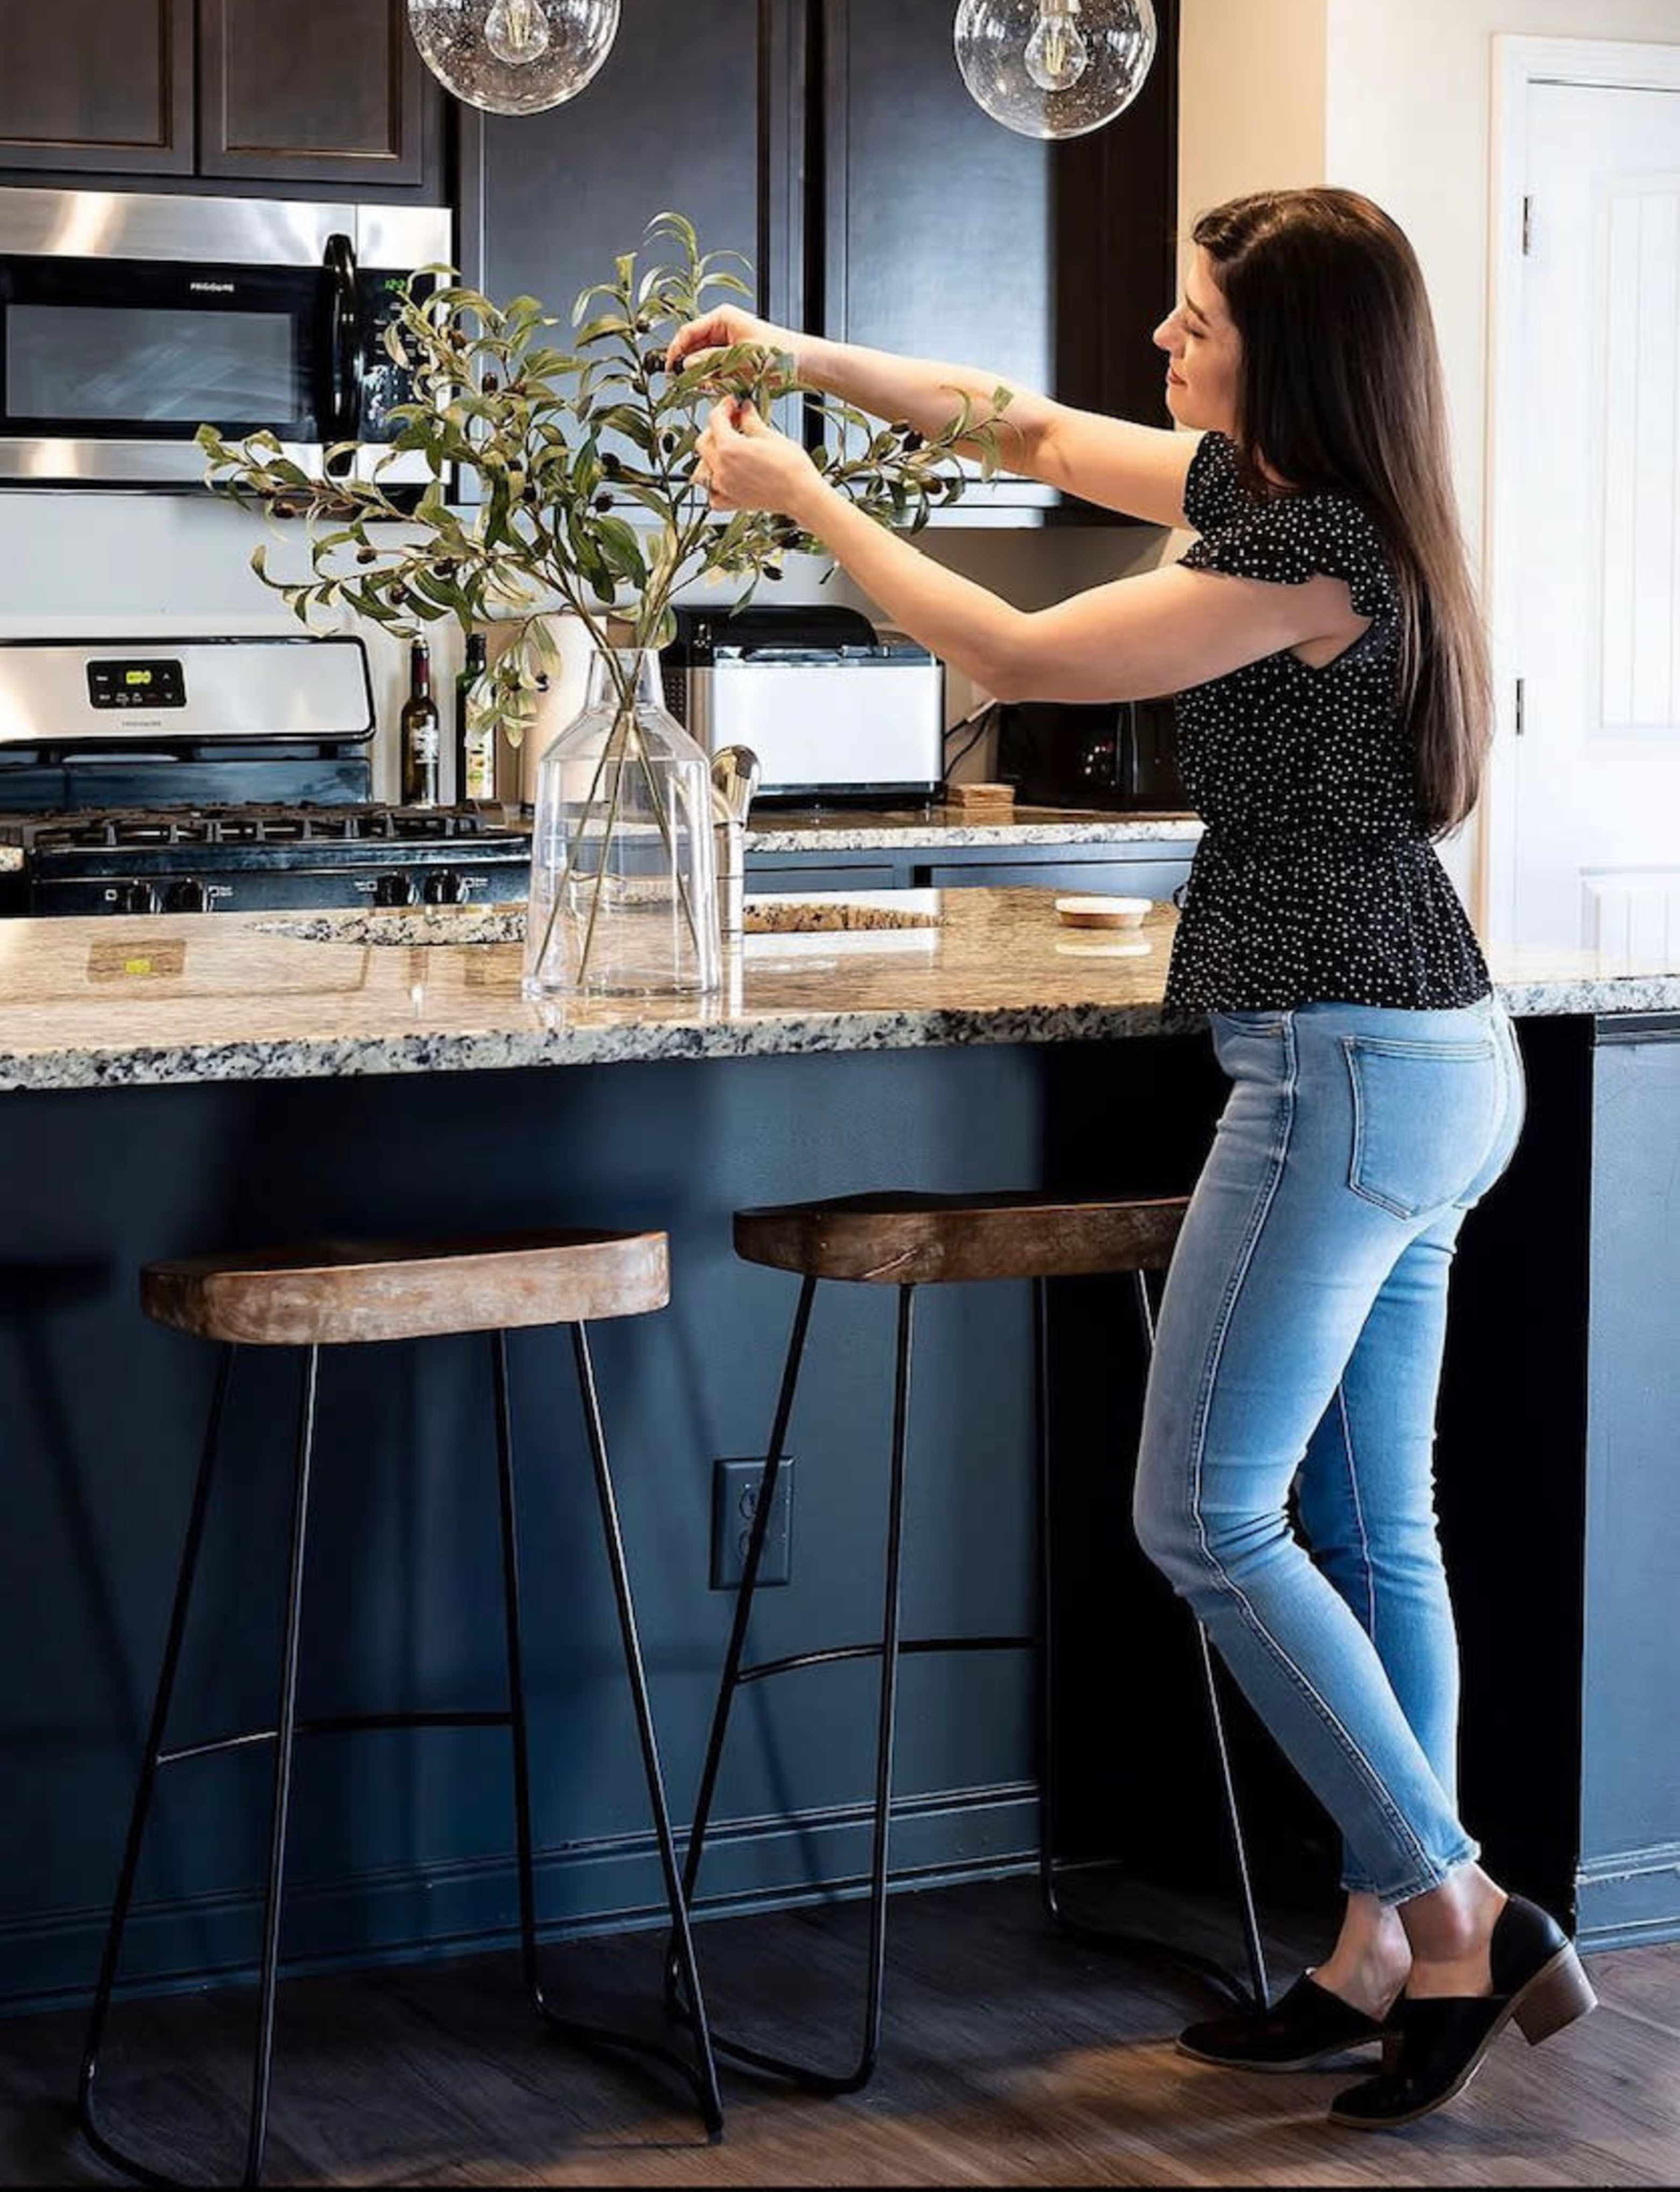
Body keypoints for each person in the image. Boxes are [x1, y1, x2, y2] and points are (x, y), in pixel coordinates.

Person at [670, 187, 1595, 2131]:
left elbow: (1019, 647)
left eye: (1195, 322)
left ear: (1292, 353)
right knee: (1372, 1525)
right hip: (1422, 1055)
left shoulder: (1316, 551)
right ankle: (1377, 1949)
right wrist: (804, 361)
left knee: (1205, 1516)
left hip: (1345, 1066)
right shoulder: (1279, 497)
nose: (1162, 347)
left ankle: (1455, 1904)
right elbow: (1009, 422)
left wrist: (800, 503)